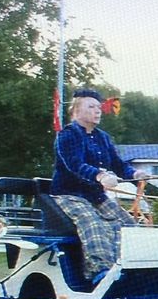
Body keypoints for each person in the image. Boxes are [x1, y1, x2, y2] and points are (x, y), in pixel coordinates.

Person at [51, 88, 149, 283]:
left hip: (95, 196)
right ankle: (101, 271)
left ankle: (126, 267)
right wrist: (100, 175)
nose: (97, 111)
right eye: (91, 107)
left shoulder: (103, 137)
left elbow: (118, 165)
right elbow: (74, 165)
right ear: (76, 110)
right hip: (69, 195)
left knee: (128, 224)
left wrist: (135, 174)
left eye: (98, 107)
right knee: (93, 223)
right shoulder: (66, 135)